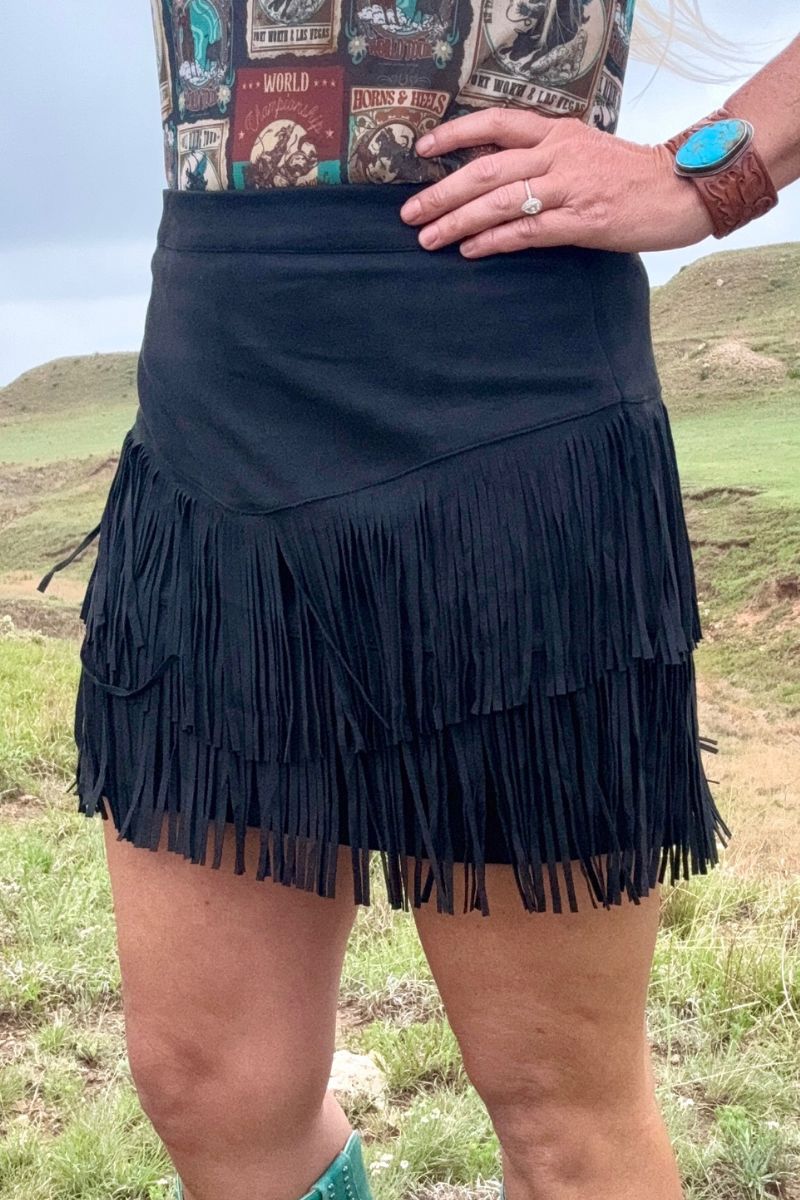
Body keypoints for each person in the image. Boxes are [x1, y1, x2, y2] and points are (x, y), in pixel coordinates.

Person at [36, 3, 800, 1199]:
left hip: (509, 405)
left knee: (559, 1119)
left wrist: (707, 173)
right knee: (208, 1083)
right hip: (215, 405)